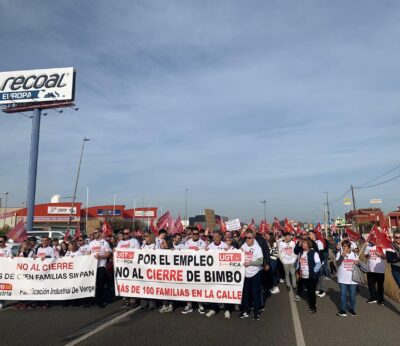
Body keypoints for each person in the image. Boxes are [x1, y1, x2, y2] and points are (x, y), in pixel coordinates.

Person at [240, 229, 263, 321]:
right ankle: (245, 311)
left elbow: (260, 261)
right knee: (245, 293)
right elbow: (237, 255)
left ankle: (256, 312)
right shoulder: (243, 246)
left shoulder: (257, 248)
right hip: (245, 274)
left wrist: (250, 263)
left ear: (253, 238)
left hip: (254, 273)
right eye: (246, 237)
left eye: (249, 238)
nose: (247, 239)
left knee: (255, 293)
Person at [182, 229, 207, 315]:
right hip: (189, 268)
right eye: (194, 233)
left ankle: (200, 305)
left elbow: (206, 254)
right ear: (191, 234)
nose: (195, 235)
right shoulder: (187, 243)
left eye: (197, 234)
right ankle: (189, 305)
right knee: (189, 287)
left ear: (199, 235)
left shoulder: (203, 243)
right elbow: (182, 254)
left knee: (199, 287)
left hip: (199, 268)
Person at [204, 230, 229, 318]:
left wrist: (228, 251)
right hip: (212, 273)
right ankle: (213, 309)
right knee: (213, 291)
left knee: (224, 292)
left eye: (217, 236)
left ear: (221, 237)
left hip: (223, 273)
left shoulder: (225, 245)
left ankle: (227, 309)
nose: (215, 238)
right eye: (214, 236)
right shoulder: (209, 246)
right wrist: (204, 251)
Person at [294, 239, 321, 314]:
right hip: (303, 276)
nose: (303, 245)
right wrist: (297, 271)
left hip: (312, 276)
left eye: (304, 244)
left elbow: (318, 264)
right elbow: (298, 263)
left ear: (308, 245)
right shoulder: (300, 253)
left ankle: (313, 307)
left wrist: (313, 271)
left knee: (311, 292)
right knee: (308, 291)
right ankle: (311, 304)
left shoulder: (314, 253)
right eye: (302, 244)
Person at [88, 228, 112, 307]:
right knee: (94, 284)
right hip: (92, 266)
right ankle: (94, 299)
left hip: (101, 265)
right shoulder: (91, 243)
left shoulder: (105, 243)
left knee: (100, 283)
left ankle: (101, 301)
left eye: (96, 232)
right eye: (94, 233)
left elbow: (108, 254)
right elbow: (88, 253)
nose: (94, 234)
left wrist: (101, 256)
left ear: (100, 233)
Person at [336, 240, 358, 317]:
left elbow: (358, 264)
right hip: (342, 278)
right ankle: (343, 310)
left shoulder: (354, 254)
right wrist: (342, 256)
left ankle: (352, 309)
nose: (344, 248)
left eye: (345, 246)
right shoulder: (339, 253)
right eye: (343, 246)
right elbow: (337, 263)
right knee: (343, 294)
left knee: (352, 295)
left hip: (352, 278)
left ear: (349, 248)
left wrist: (357, 263)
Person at [365, 240, 386, 305]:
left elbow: (385, 257)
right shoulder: (368, 246)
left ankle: (380, 299)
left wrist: (380, 255)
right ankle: (373, 298)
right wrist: (368, 255)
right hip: (370, 269)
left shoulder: (382, 246)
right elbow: (365, 255)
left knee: (380, 285)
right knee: (371, 284)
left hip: (380, 269)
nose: (373, 240)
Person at [158, 236, 175, 314]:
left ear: (168, 243)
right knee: (163, 289)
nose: (162, 243)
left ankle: (171, 305)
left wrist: (174, 252)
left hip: (171, 274)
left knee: (170, 289)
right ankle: (165, 305)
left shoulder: (173, 250)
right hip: (163, 274)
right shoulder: (160, 251)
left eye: (164, 242)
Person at [308, 230, 326, 298]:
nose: (309, 236)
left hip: (319, 263)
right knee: (314, 277)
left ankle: (322, 290)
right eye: (308, 234)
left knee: (320, 277)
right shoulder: (309, 242)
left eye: (310, 234)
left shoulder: (319, 242)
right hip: (312, 263)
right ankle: (317, 289)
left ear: (314, 235)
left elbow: (321, 254)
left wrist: (320, 264)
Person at [0, 235, 13, 309]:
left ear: (5, 242)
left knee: (2, 287)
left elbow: (11, 259)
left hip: (4, 271)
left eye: (1, 241)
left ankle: (1, 302)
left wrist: (11, 258)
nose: (0, 242)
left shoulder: (8, 249)